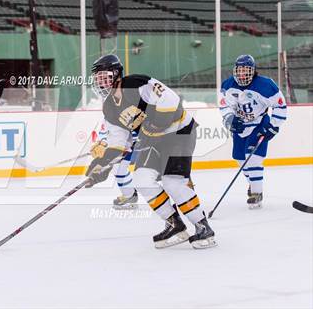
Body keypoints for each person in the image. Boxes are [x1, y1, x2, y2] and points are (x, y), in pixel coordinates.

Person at [85, 54, 216, 249]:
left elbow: (170, 99)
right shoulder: (109, 108)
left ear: (117, 74)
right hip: (152, 140)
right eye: (98, 79)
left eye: (105, 76)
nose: (101, 82)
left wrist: (156, 124)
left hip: (178, 132)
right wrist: (102, 165)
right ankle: (175, 224)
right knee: (142, 179)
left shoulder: (137, 83)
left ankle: (203, 227)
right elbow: (118, 143)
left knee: (173, 182)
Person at [220, 54, 287, 209]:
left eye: (246, 70)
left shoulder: (266, 85)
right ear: (235, 70)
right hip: (241, 126)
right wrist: (230, 119)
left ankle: (256, 193)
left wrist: (274, 125)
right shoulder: (228, 85)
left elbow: (280, 106)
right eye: (240, 70)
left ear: (253, 70)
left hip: (259, 124)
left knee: (253, 158)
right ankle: (253, 182)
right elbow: (224, 106)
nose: (242, 74)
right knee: (239, 158)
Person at [90, 123, 139, 210]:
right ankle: (130, 194)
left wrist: (133, 145)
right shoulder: (110, 114)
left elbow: (137, 133)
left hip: (127, 147)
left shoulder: (129, 113)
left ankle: (130, 195)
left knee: (118, 168)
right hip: (115, 148)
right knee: (117, 169)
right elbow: (103, 131)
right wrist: (102, 144)